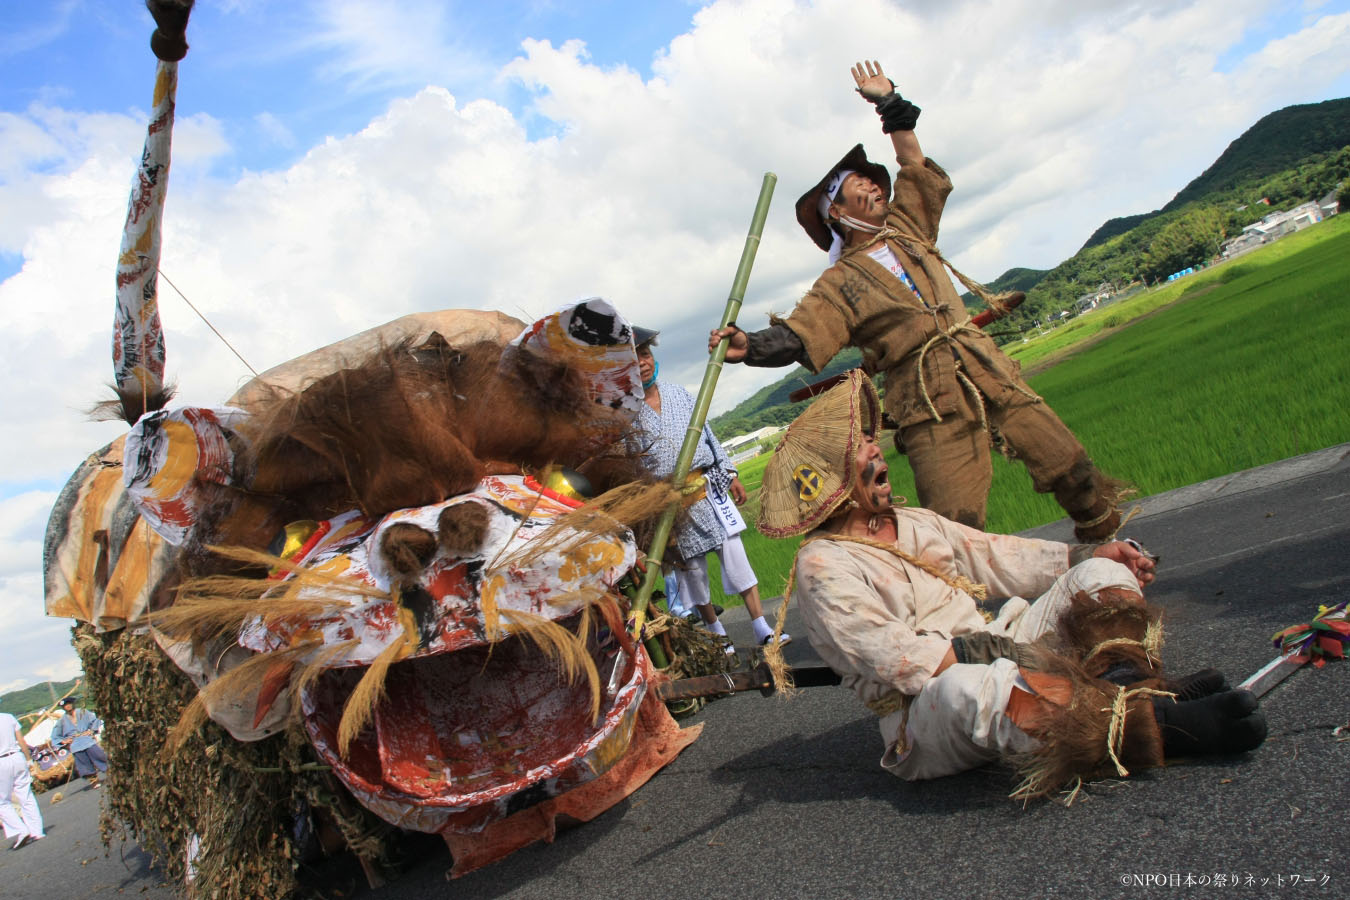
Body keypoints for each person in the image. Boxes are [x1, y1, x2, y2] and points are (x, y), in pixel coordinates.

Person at [756, 371, 1265, 796]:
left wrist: (1090, 553)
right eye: (860, 445)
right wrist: (982, 650)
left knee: (1100, 578)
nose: (876, 448)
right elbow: (894, 660)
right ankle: (1161, 730)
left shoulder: (915, 522)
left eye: (870, 439)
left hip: (997, 648)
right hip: (929, 707)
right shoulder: (823, 566)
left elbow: (996, 557)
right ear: (832, 480)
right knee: (971, 689)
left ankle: (1135, 689)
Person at [713, 60, 1124, 541]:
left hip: (985, 366)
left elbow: (913, 166)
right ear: (838, 213)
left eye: (871, 178)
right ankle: (952, 607)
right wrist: (749, 346)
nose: (873, 182)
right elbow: (797, 336)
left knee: (1071, 467)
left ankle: (1108, 550)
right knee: (953, 524)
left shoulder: (907, 228)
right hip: (927, 397)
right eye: (857, 183)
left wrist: (888, 103)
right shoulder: (838, 283)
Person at [632, 327, 790, 651]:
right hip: (671, 504)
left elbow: (709, 434)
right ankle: (716, 631)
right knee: (691, 572)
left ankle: (761, 626)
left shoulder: (680, 394)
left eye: (645, 355)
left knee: (736, 555)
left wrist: (729, 474)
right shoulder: (627, 416)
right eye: (634, 360)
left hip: (708, 487)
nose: (643, 363)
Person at [1, 711, 45, 850]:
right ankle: (37, 831)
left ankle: (21, 830)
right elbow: (21, 740)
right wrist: (28, 759)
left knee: (2, 802)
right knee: (26, 795)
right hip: (17, 757)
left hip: (1, 761)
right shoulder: (8, 717)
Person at [51, 696, 107, 790]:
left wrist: (92, 730)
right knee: (84, 763)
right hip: (75, 744)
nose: (68, 706)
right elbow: (55, 736)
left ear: (72, 704)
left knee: (99, 755)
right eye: (65, 705)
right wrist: (64, 741)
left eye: (69, 704)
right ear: (63, 708)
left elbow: (95, 719)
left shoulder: (82, 712)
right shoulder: (62, 721)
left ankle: (111, 771)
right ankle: (94, 780)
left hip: (87, 739)